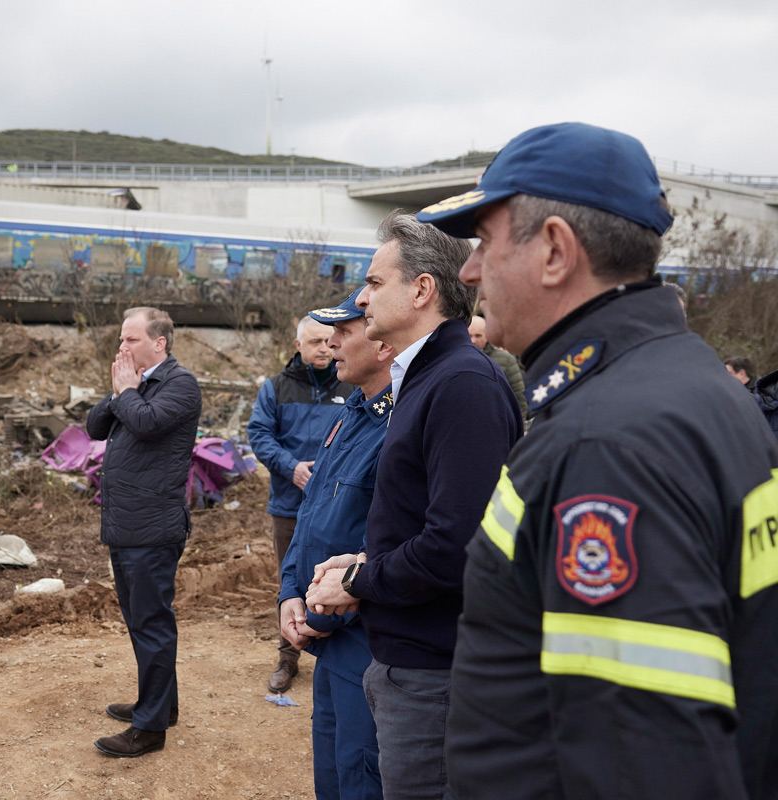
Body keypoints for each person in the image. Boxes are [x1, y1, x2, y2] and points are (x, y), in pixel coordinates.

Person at [415, 121, 778, 798]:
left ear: (554, 250)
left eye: (485, 243)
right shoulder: (695, 385)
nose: (468, 271)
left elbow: (643, 765)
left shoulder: (603, 444)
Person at [304, 212, 522, 800]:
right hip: (413, 658)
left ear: (422, 289)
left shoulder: (460, 384)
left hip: (435, 670)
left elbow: (459, 548)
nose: (362, 297)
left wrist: (360, 576)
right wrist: (364, 559)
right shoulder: (430, 379)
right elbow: (429, 520)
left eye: (375, 284)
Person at [278, 288, 394, 800]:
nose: (332, 343)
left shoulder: (399, 424)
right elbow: (311, 521)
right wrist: (289, 594)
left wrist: (319, 616)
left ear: (383, 345)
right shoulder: (352, 413)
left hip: (360, 638)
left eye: (345, 332)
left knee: (361, 775)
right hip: (325, 632)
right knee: (331, 771)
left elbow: (384, 541)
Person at [87, 307, 202, 758]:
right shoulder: (134, 385)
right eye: (121, 339)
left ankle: (150, 729)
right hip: (126, 524)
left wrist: (129, 392)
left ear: (160, 344)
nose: (122, 348)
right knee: (141, 622)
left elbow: (148, 423)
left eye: (131, 340)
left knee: (152, 624)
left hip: (153, 527)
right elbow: (95, 427)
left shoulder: (180, 384)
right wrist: (120, 391)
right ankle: (160, 705)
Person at [248, 315, 354, 693]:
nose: (324, 348)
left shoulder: (351, 384)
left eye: (329, 341)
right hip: (289, 503)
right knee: (289, 581)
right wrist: (290, 467)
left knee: (339, 579)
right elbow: (259, 434)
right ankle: (287, 657)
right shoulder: (275, 387)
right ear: (298, 346)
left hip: (338, 508)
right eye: (315, 342)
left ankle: (334, 653)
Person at [468, 314, 528, 420]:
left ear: (486, 335)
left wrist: (520, 429)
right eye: (469, 336)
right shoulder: (457, 359)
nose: (473, 341)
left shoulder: (507, 360)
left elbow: (519, 398)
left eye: (478, 336)